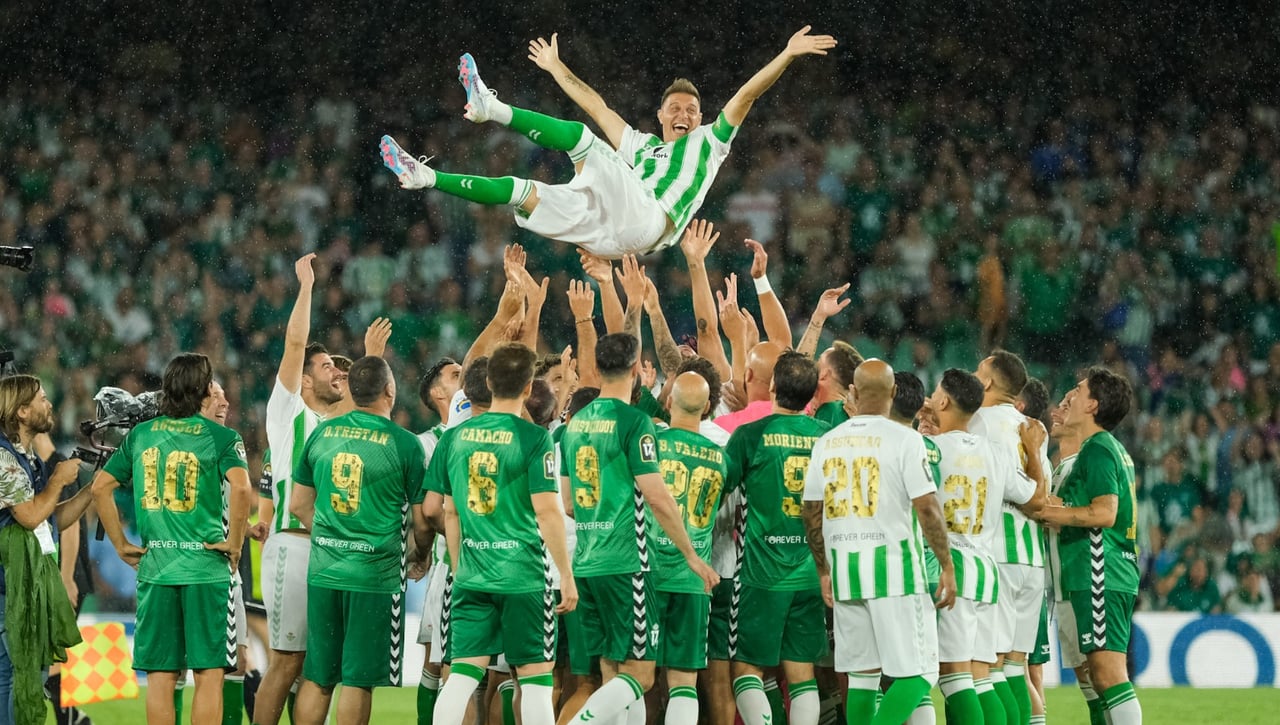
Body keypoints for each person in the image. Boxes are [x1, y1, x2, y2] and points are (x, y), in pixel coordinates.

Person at [380, 27, 836, 258]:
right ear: (659, 116)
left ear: (701, 118)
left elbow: (747, 94)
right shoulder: (638, 146)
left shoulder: (710, 142)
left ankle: (490, 108)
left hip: (651, 218)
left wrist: (787, 54)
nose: (683, 114)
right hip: (611, 236)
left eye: (691, 110)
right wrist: (558, 70)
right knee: (521, 191)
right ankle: (424, 176)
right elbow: (598, 106)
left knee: (581, 141)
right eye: (674, 108)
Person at [558, 333, 718, 725]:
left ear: (596, 369)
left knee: (614, 670)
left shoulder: (574, 425)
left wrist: (600, 514)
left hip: (587, 562)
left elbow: (567, 504)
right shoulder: (635, 421)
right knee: (643, 675)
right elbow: (658, 498)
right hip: (627, 561)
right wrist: (692, 556)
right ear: (634, 369)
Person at [92, 354, 253, 725]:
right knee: (209, 674)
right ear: (201, 390)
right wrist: (234, 544)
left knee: (162, 678)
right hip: (206, 572)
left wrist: (119, 543)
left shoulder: (142, 435)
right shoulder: (222, 437)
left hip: (156, 570)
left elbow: (101, 487)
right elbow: (242, 488)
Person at [801, 359, 955, 725]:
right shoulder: (905, 439)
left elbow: (810, 511)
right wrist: (946, 563)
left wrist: (823, 570)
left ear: (852, 393)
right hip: (895, 572)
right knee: (921, 673)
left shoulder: (827, 442)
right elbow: (927, 508)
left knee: (863, 677)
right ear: (893, 393)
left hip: (845, 573)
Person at [428, 343, 576, 725]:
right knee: (537, 683)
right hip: (524, 578)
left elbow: (450, 511)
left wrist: (460, 569)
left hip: (473, 576)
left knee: (460, 678)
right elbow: (547, 511)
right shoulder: (534, 439)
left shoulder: (454, 437)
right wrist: (566, 575)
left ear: (489, 383)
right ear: (529, 388)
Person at [287, 356, 429, 725]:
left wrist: (334, 539)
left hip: (324, 572)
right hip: (374, 576)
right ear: (389, 391)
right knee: (357, 680)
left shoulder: (322, 432)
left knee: (318, 676)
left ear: (351, 390)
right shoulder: (405, 444)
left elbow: (299, 505)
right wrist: (420, 553)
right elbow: (422, 519)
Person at [921, 370, 1046, 725]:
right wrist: (1033, 452)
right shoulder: (994, 454)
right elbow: (1035, 496)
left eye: (935, 393)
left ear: (943, 401)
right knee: (982, 676)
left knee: (955, 678)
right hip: (986, 570)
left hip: (953, 569)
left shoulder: (931, 450)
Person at [255, 254, 346, 725]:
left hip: (328, 551)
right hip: (293, 547)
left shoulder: (337, 426)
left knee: (317, 665)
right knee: (287, 661)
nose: (337, 372)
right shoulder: (289, 413)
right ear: (305, 379)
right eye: (328, 365)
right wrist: (306, 287)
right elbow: (294, 344)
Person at [724, 351, 831, 725]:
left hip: (760, 574)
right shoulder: (826, 438)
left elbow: (719, 489)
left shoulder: (750, 436)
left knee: (747, 671)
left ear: (772, 386)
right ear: (811, 394)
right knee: (802, 676)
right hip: (811, 574)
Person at [1039, 367, 1142, 724]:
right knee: (1096, 681)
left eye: (1079, 390)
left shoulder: (1098, 448)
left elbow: (1104, 512)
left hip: (1100, 570)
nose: (1070, 395)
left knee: (1109, 675)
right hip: (1096, 572)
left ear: (1092, 405)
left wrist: (1053, 513)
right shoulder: (1103, 449)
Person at [0, 376, 91, 725]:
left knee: (10, 680)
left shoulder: (26, 458)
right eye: (41, 399)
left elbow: (50, 520)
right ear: (22, 412)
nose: (48, 404)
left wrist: (89, 492)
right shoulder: (4, 458)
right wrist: (57, 480)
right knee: (26, 681)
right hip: (14, 593)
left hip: (18, 588)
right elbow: (29, 516)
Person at [969, 350, 1046, 723]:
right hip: (1031, 559)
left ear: (986, 383)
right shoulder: (1034, 428)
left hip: (995, 553)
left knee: (988, 669)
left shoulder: (978, 421)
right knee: (1017, 666)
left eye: (977, 371)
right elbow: (1040, 494)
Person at [651, 371, 728, 725]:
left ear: (669, 402)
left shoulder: (651, 443)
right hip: (695, 578)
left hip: (648, 572)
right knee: (684, 681)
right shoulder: (720, 457)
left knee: (638, 675)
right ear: (708, 407)